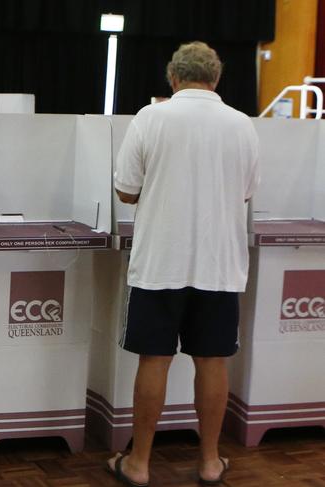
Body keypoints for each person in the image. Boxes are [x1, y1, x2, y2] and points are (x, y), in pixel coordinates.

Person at [107, 41, 259, 486]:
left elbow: (126, 190)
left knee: (154, 360)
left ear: (173, 78)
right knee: (213, 361)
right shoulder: (241, 125)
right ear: (216, 78)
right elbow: (247, 192)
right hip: (219, 263)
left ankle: (138, 464)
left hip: (161, 262)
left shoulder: (150, 118)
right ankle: (210, 462)